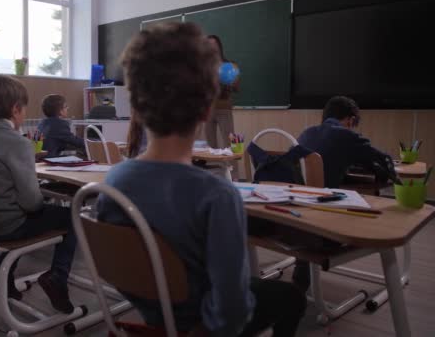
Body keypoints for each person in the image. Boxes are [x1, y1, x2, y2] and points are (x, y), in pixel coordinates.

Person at [97, 22, 306, 336]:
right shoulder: (217, 197)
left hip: (150, 313)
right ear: (207, 109)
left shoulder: (112, 183)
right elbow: (231, 315)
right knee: (290, 297)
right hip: (200, 323)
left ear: (136, 105)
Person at [0, 76, 77, 314]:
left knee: (15, 208)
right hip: (10, 226)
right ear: (15, 109)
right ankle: (58, 277)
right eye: (23, 109)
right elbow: (31, 204)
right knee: (73, 215)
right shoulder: (18, 143)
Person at [293, 96, 394, 292]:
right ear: (350, 119)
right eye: (354, 123)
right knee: (380, 214)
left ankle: (301, 272)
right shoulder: (347, 137)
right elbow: (384, 163)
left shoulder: (305, 134)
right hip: (325, 229)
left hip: (297, 221)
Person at [298, 96, 393, 189]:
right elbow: (383, 160)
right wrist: (384, 176)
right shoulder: (346, 135)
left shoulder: (305, 134)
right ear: (351, 121)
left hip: (296, 195)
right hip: (324, 199)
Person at [204, 34, 240, 149]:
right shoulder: (204, 67)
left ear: (220, 47)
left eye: (214, 44)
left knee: (231, 145)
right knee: (210, 147)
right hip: (208, 110)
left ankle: (233, 167)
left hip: (224, 109)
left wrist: (228, 77)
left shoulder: (229, 65)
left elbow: (236, 87)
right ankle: (213, 167)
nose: (212, 48)